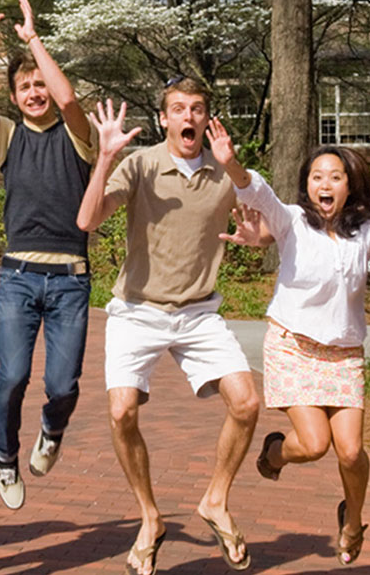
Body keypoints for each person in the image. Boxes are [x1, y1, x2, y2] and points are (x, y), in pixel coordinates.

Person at [207, 127, 370, 565]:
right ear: (307, 184)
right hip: (293, 348)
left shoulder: (361, 232)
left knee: (349, 450)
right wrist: (229, 161)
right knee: (313, 445)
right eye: (317, 177)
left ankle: (353, 518)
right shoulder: (290, 221)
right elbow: (258, 191)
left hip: (343, 355)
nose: (325, 185)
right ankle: (273, 454)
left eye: (336, 178)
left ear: (350, 186)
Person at [76, 83, 270, 575]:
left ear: (207, 119)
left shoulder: (224, 172)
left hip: (199, 313)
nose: (189, 117)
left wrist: (252, 224)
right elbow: (87, 219)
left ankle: (215, 501)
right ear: (164, 120)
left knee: (247, 403)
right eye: (179, 109)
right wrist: (104, 157)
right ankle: (149, 517)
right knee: (121, 412)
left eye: (197, 110)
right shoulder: (140, 164)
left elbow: (268, 227)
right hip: (137, 310)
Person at [0, 0, 94, 510]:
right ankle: (4, 455)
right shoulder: (8, 136)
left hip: (70, 279)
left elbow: (70, 100)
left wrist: (33, 41)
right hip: (18, 277)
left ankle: (51, 429)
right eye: (24, 86)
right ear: (13, 97)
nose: (35, 91)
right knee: (12, 376)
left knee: (63, 385)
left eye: (39, 83)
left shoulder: (79, 136)